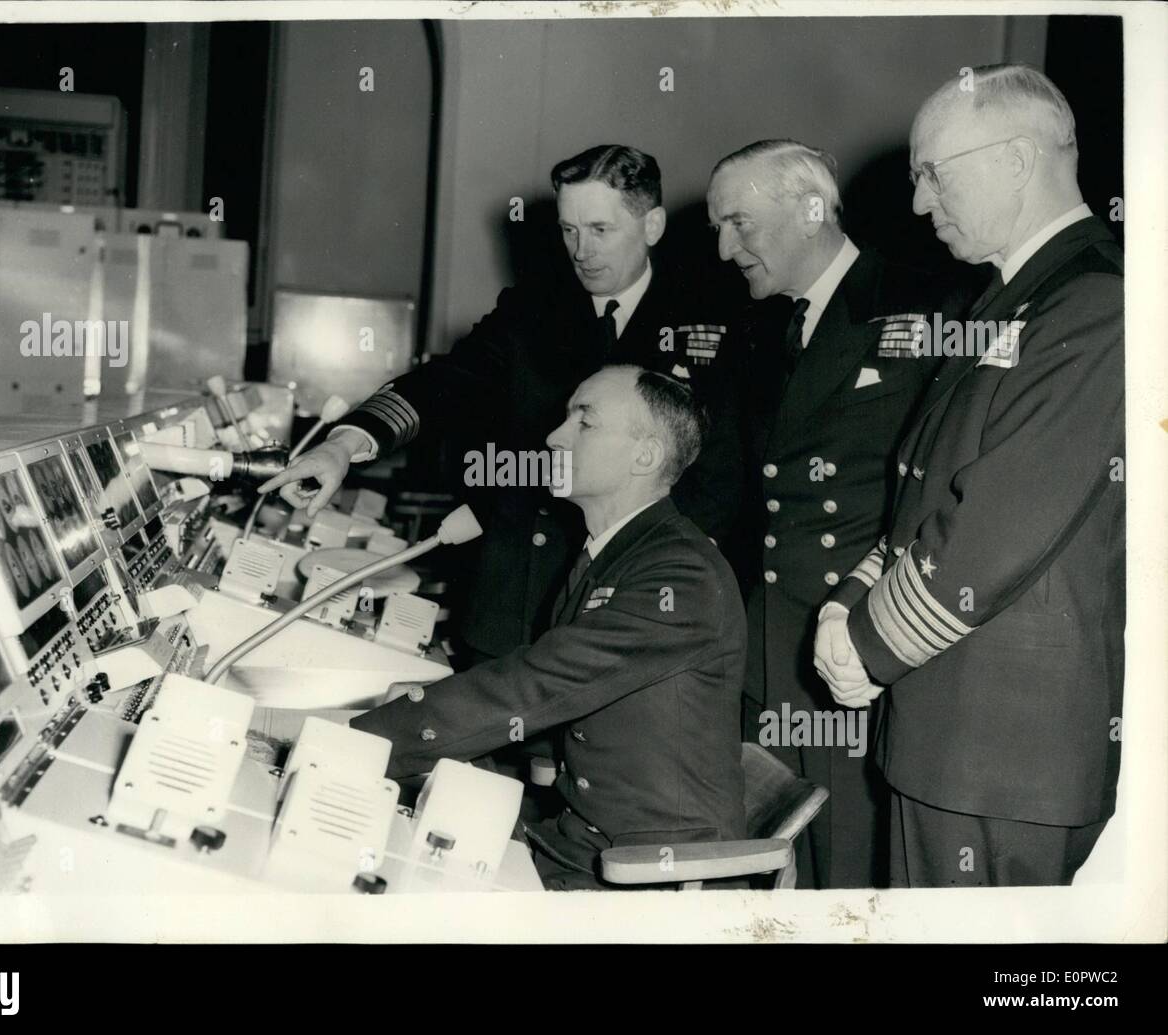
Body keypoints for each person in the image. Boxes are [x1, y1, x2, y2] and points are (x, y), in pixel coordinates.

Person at [814, 64, 1124, 887]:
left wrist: (870, 643)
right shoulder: (1010, 301)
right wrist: (847, 603)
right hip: (956, 734)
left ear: (1018, 161)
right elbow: (923, 496)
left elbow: (994, 524)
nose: (918, 203)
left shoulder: (1097, 304)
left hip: (1006, 752)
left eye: (933, 174)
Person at [259, 144, 744, 666]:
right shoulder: (532, 311)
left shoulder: (708, 319)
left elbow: (721, 475)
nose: (581, 251)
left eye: (601, 230)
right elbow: (444, 381)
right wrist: (345, 444)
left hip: (638, 595)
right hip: (519, 594)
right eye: (569, 230)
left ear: (651, 225)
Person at [351, 365, 746, 890]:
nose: (554, 437)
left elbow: (536, 685)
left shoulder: (679, 574)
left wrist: (359, 744)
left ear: (645, 455)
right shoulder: (614, 552)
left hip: (651, 876)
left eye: (585, 422)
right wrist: (420, 715)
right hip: (580, 846)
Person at [707, 140, 942, 889]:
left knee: (842, 868)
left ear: (812, 211)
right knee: (765, 864)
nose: (723, 247)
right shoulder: (758, 330)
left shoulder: (920, 306)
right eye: (717, 226)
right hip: (769, 643)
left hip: (855, 646)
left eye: (740, 223)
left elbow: (935, 496)